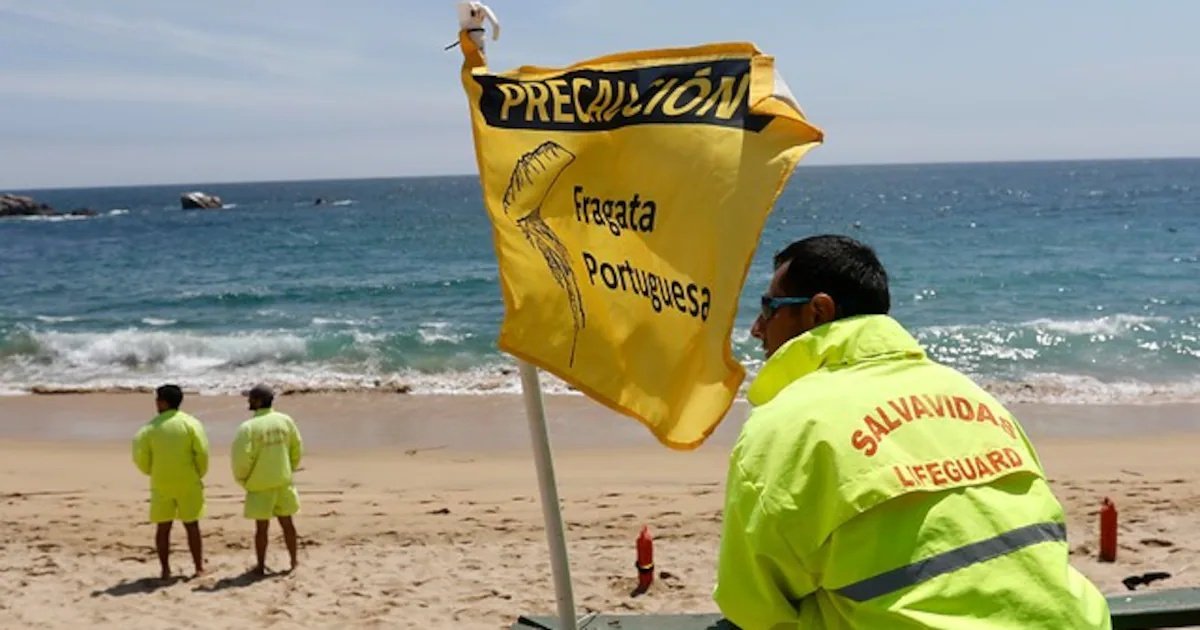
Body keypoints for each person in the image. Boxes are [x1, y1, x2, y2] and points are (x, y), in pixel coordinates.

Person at [714, 235, 1111, 629]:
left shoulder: (786, 426)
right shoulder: (971, 394)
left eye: (769, 308)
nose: (755, 328)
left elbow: (755, 609)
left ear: (818, 312)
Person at [132, 384, 209, 579]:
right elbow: (202, 452)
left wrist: (151, 471)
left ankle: (165, 570)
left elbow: (140, 456)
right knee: (192, 525)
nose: (156, 403)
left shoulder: (150, 428)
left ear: (163, 402)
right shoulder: (191, 424)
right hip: (188, 480)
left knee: (163, 527)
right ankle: (199, 567)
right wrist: (199, 473)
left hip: (161, 481)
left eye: (157, 399)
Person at [232, 384, 303, 575]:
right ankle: (294, 561)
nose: (248, 401)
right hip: (282, 480)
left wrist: (243, 480)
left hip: (260, 483)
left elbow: (241, 458)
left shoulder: (248, 427)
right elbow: (296, 449)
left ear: (259, 401)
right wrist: (288, 468)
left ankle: (261, 566)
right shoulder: (285, 421)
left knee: (261, 528)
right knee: (287, 523)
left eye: (251, 398)